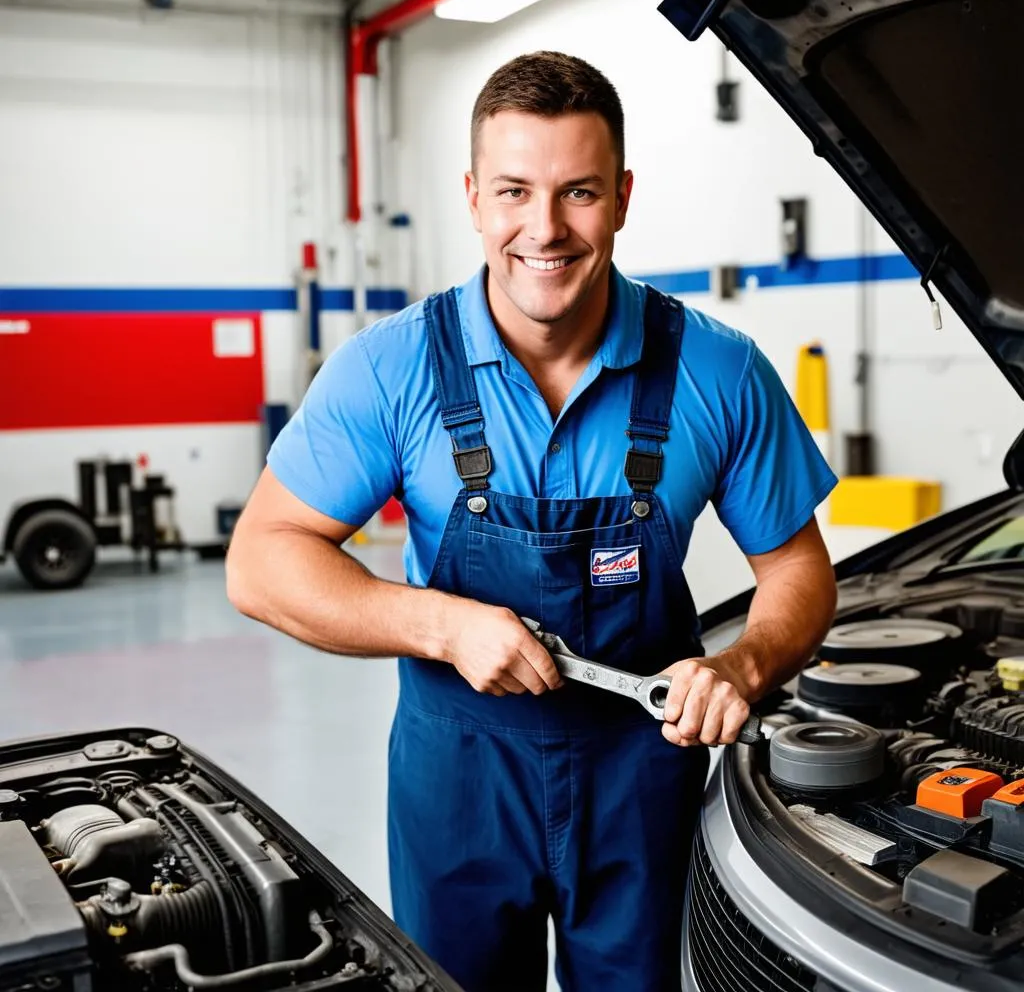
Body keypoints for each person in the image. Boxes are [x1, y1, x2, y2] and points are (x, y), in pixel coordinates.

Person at [226, 50, 838, 992]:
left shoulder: (719, 372)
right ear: (473, 196)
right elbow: (262, 562)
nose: (544, 229)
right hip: (460, 777)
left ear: (624, 196)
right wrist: (441, 623)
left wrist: (742, 665)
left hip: (644, 771)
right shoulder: (389, 370)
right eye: (514, 190)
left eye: (578, 192)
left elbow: (798, 569)